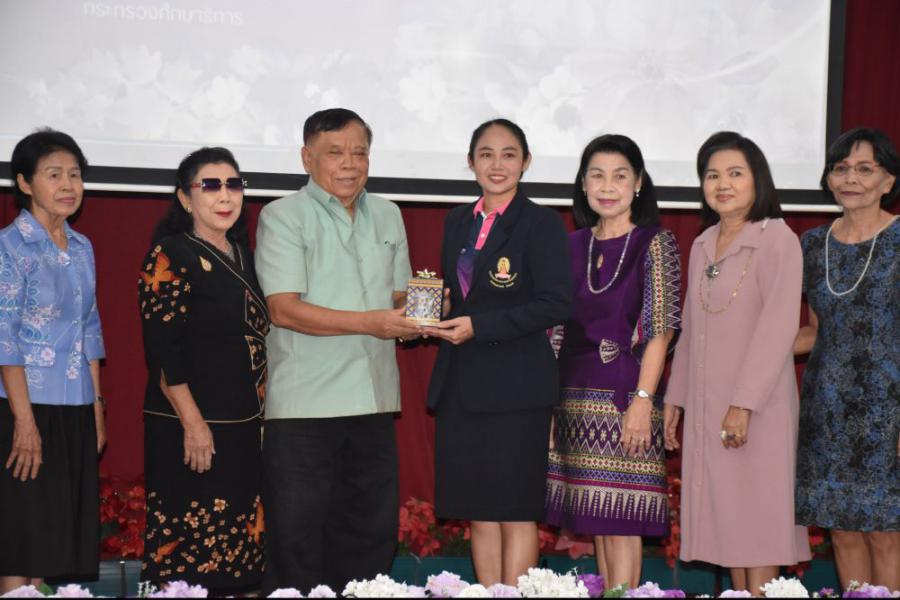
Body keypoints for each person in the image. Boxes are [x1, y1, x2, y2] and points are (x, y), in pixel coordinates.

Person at [255, 108, 420, 595]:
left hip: (373, 401)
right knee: (297, 538)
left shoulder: (388, 214)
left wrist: (428, 309)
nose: (349, 163)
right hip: (305, 406)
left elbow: (398, 296)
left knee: (370, 535)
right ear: (307, 158)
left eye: (359, 152)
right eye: (335, 153)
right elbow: (284, 309)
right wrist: (373, 322)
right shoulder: (282, 216)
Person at [426, 119, 572, 586]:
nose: (497, 164)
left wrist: (479, 326)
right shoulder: (457, 221)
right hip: (462, 383)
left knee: (515, 509)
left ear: (526, 162)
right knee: (480, 510)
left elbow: (556, 303)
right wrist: (435, 309)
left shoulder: (542, 223)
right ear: (470, 162)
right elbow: (461, 295)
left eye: (509, 154)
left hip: (518, 387)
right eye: (486, 154)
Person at [663, 131, 811, 593]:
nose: (722, 184)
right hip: (707, 407)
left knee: (757, 529)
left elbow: (778, 330)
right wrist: (675, 399)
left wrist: (743, 405)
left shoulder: (778, 239)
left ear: (757, 180)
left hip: (758, 408)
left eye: (734, 173)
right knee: (730, 531)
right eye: (712, 175)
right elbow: (690, 329)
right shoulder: (704, 242)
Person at [545, 134, 681, 588]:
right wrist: (549, 406)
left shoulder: (655, 243)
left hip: (627, 399)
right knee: (599, 522)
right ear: (583, 184)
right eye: (597, 176)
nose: (608, 186)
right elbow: (555, 332)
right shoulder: (569, 246)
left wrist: (643, 400)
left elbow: (661, 330)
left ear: (638, 183)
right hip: (573, 399)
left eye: (620, 176)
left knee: (622, 523)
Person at [138, 147, 268, 594]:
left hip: (242, 428)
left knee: (240, 558)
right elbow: (164, 351)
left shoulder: (243, 254)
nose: (224, 195)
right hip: (190, 430)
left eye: (233, 184)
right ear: (184, 197)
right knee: (189, 557)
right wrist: (193, 425)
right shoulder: (170, 254)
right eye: (210, 185)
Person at [793, 127, 899, 591]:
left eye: (864, 169)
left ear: (888, 181)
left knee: (886, 533)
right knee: (841, 530)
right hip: (827, 407)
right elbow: (815, 331)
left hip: (888, 410)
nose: (850, 178)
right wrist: (738, 353)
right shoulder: (813, 245)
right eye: (840, 168)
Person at [0, 129, 106, 592]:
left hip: (74, 406)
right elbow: (3, 337)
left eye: (75, 175)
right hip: (22, 405)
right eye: (54, 175)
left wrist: (97, 409)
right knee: (21, 533)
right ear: (25, 183)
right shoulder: (10, 247)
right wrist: (24, 422)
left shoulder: (82, 247)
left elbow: (90, 329)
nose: (68, 185)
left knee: (53, 536)